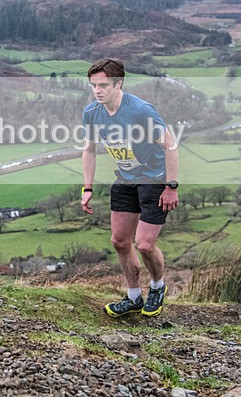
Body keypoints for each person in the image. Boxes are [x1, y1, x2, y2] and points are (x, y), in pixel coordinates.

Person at [80, 58, 179, 318]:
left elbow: (170, 145)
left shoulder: (141, 110)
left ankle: (158, 286)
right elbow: (89, 150)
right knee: (120, 241)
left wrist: (171, 186)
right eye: (93, 86)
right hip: (124, 179)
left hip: (154, 180)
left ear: (118, 83)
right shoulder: (92, 113)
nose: (98, 90)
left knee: (145, 244)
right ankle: (134, 296)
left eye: (103, 85)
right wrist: (87, 188)